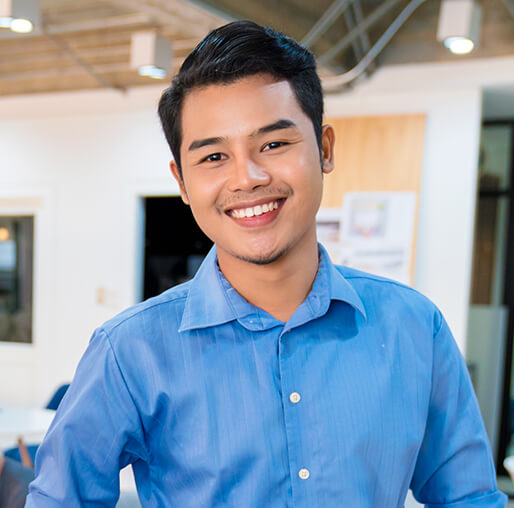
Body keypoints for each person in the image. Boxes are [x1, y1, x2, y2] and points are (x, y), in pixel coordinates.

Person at [26, 20, 506, 507]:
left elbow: (467, 498)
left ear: (324, 149)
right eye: (214, 156)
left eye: (274, 144)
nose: (248, 178)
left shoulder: (413, 327)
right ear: (183, 183)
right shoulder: (129, 352)